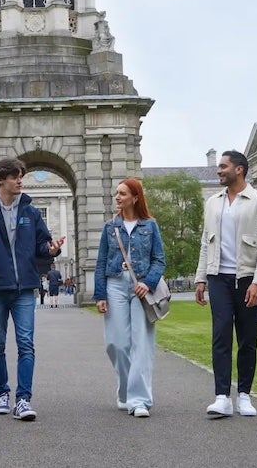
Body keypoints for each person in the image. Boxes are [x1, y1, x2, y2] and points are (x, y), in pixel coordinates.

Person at [0, 157, 65, 422]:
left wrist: (52, 249)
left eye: (21, 176)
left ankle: (23, 399)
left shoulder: (30, 212)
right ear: (1, 179)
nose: (21, 180)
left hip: (24, 288)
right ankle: (2, 394)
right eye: (16, 176)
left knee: (26, 344)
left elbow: (42, 246)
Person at [195, 150, 257, 419]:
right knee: (220, 335)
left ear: (239, 169)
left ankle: (244, 395)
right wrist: (200, 278)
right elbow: (206, 242)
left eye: (223, 167)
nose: (218, 171)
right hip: (218, 276)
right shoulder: (213, 202)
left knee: (247, 338)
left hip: (247, 278)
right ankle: (221, 397)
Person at [94, 178, 166, 418]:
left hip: (140, 287)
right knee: (116, 343)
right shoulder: (109, 227)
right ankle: (125, 390)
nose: (117, 197)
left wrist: (148, 282)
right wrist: (100, 294)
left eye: (122, 193)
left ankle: (140, 400)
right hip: (115, 283)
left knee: (141, 344)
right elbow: (101, 262)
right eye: (117, 193)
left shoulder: (150, 226)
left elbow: (159, 259)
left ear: (135, 198)